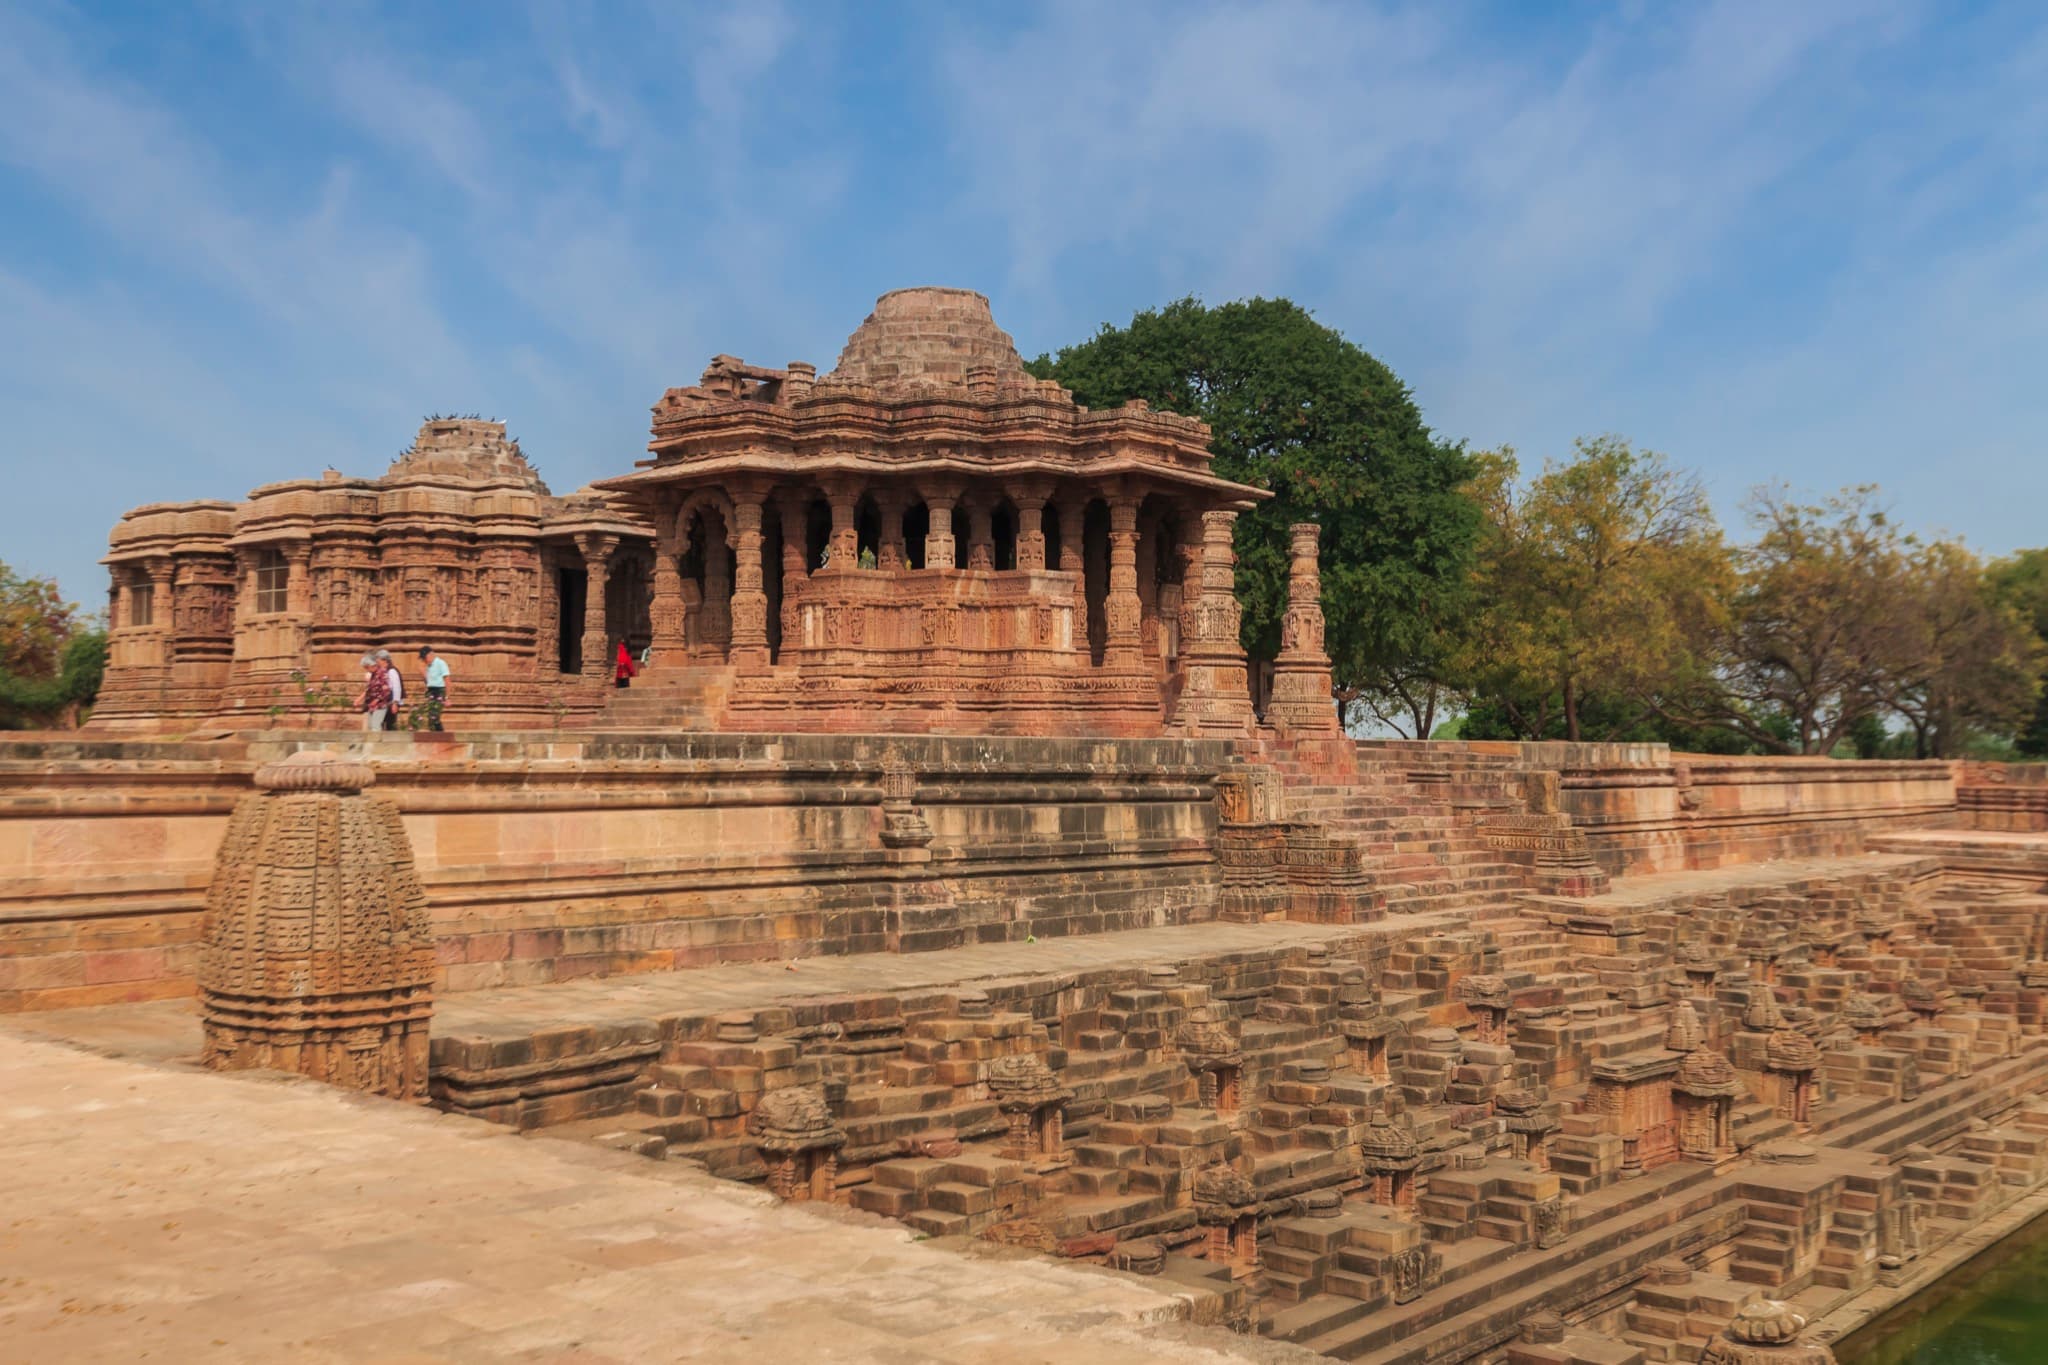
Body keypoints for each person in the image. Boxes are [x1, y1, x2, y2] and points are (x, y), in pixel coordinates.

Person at [357, 655, 393, 731]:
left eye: (367, 667)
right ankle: (371, 742)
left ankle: (375, 742)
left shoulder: (382, 672)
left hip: (380, 705)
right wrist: (359, 699)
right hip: (372, 705)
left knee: (375, 726)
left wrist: (376, 700)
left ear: (372, 665)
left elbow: (386, 690)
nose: (367, 670)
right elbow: (369, 689)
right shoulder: (373, 674)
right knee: (370, 726)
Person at [418, 646, 450, 731]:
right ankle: (435, 736)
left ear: (430, 654)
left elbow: (447, 680)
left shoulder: (440, 663)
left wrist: (447, 697)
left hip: (439, 690)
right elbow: (429, 682)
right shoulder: (429, 666)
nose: (424, 660)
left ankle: (442, 736)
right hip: (431, 691)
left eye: (425, 657)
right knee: (430, 717)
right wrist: (423, 674)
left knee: (434, 716)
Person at [376, 649, 404, 729]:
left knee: (390, 725)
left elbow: (396, 687)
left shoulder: (391, 671)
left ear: (384, 660)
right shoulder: (383, 671)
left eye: (379, 660)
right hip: (384, 702)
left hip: (391, 702)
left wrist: (395, 703)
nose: (377, 662)